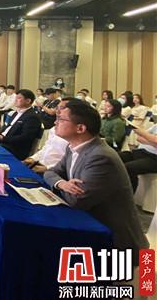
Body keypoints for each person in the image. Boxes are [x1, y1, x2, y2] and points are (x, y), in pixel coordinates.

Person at [44, 102, 148, 264]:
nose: (55, 122)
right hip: (91, 226)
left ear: (80, 128)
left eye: (61, 119)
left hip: (115, 245)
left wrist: (60, 183)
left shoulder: (101, 156)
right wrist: (61, 184)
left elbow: (77, 200)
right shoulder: (73, 147)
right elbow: (50, 172)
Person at [23, 98, 82, 174]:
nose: (58, 111)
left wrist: (47, 168)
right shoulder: (53, 129)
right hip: (39, 165)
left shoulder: (74, 133)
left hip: (55, 172)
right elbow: (46, 148)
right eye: (57, 108)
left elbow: (70, 161)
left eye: (63, 108)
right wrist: (33, 158)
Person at [0, 89, 43, 160]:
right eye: (16, 98)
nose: (15, 100)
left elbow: (25, 138)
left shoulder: (32, 117)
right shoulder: (16, 113)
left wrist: (3, 138)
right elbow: (8, 129)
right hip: (4, 142)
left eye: (19, 98)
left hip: (14, 148)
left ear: (28, 101)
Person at [119, 124, 157, 192]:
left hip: (154, 158)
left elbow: (155, 141)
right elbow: (139, 138)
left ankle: (128, 196)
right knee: (117, 157)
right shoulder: (155, 126)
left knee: (129, 168)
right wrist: (152, 141)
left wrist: (142, 133)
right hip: (141, 152)